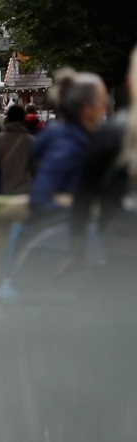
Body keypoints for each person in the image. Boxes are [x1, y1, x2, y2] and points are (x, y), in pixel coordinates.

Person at [70, 46, 136, 296]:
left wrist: (77, 244)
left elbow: (85, 194)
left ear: (129, 84)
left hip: (122, 244)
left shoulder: (110, 135)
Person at [30, 70, 108, 212]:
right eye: (102, 102)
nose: (104, 108)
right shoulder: (67, 146)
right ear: (86, 109)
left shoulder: (74, 139)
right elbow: (41, 198)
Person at [0, 105, 35, 196]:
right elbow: (36, 167)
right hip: (25, 190)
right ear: (23, 118)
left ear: (8, 118)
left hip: (2, 188)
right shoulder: (31, 141)